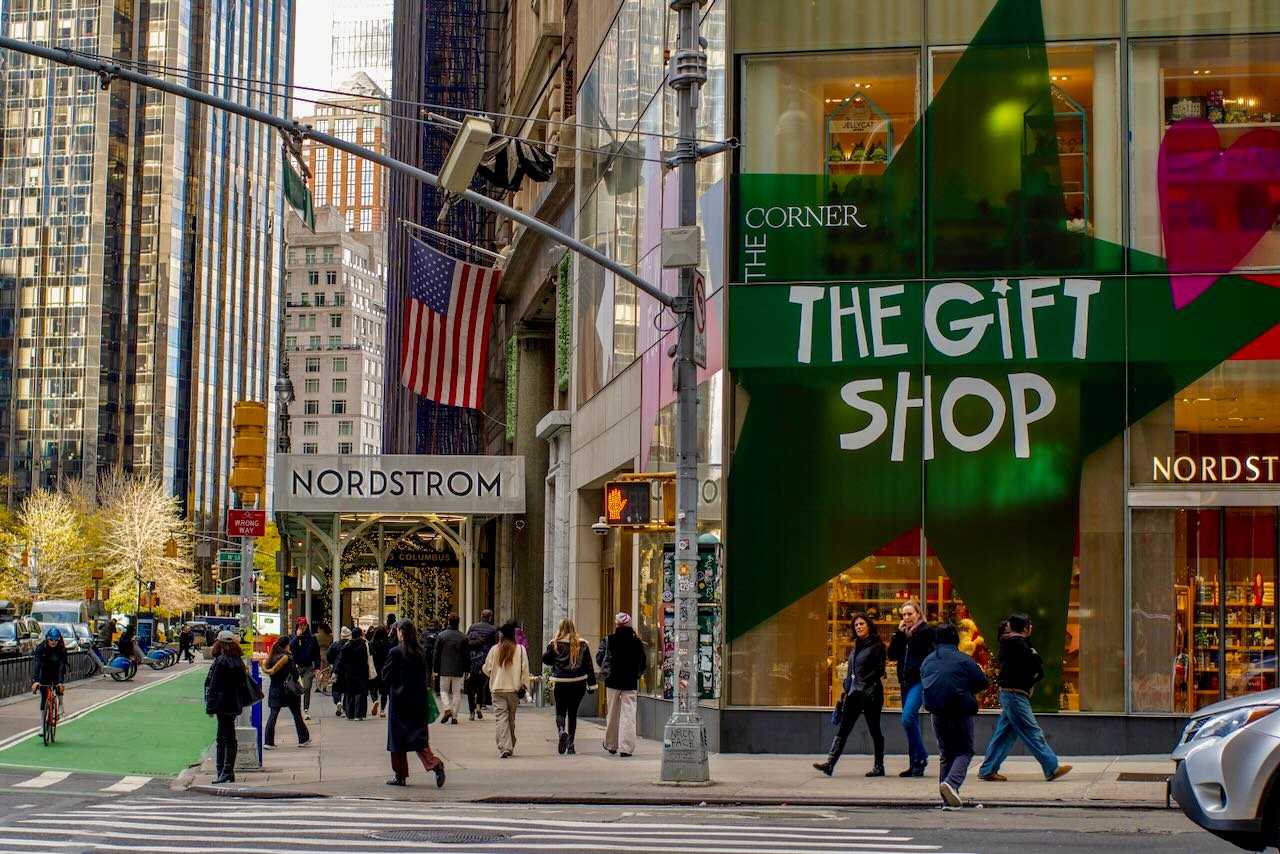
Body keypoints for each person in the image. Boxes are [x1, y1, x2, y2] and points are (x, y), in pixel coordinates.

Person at [978, 613, 1072, 783]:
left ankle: (988, 769)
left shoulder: (1010, 642)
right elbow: (1035, 663)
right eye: (1029, 625)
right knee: (1032, 731)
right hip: (1015, 695)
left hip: (1010, 694)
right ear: (1024, 628)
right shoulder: (1017, 643)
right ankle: (1052, 767)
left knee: (1004, 734)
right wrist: (1034, 656)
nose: (1032, 628)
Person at [920, 623, 989, 808]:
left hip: (937, 712)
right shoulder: (964, 660)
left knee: (946, 753)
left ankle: (947, 800)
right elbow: (982, 682)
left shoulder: (928, 661)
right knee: (965, 750)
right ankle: (951, 783)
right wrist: (966, 689)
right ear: (956, 639)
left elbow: (925, 680)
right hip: (960, 710)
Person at [814, 612, 886, 777]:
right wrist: (847, 687)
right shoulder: (855, 647)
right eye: (856, 625)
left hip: (871, 694)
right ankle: (830, 763)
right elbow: (851, 671)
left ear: (869, 626)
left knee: (874, 729)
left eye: (862, 624)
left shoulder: (877, 646)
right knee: (844, 728)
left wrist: (863, 682)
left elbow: (879, 670)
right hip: (854, 694)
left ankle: (879, 766)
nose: (859, 627)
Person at [381, 619, 445, 788]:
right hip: (418, 700)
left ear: (400, 632)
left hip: (399, 702)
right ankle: (434, 763)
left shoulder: (395, 652)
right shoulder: (420, 651)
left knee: (397, 741)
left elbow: (386, 676)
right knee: (419, 738)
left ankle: (400, 775)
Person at [887, 600, 935, 777]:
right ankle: (915, 764)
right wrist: (898, 635)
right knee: (911, 722)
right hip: (905, 681)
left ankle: (921, 756)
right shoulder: (902, 634)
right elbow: (892, 655)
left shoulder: (926, 632)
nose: (907, 618)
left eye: (910, 614)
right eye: (904, 615)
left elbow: (933, 655)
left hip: (919, 681)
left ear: (918, 614)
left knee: (907, 718)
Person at [542, 617, 597, 755]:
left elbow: (546, 659)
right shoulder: (582, 644)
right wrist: (592, 685)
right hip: (578, 682)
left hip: (561, 682)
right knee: (573, 713)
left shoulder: (555, 644)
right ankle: (571, 745)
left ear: (560, 628)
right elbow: (589, 666)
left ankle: (561, 731)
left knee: (560, 711)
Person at [598, 612, 646, 758]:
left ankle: (611, 744)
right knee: (629, 715)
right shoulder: (637, 642)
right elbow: (643, 662)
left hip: (612, 681)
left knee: (612, 713)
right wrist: (636, 674)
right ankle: (626, 748)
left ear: (617, 624)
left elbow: (600, 658)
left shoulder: (609, 640)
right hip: (630, 682)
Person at [204, 631, 250, 784]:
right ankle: (224, 771)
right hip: (234, 704)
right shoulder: (237, 661)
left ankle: (226, 771)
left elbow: (215, 686)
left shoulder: (221, 661)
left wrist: (210, 707)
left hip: (222, 704)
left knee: (226, 739)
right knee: (224, 737)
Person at [482, 621, 529, 758]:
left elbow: (487, 669)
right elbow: (525, 670)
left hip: (497, 688)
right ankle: (509, 744)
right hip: (513, 689)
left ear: (501, 635)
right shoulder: (520, 649)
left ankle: (505, 746)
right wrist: (525, 686)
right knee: (510, 718)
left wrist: (493, 674)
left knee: (501, 718)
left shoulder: (494, 649)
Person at [263, 636, 311, 749]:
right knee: (297, 714)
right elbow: (295, 674)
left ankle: (268, 741)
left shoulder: (270, 659)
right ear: (286, 646)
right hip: (289, 690)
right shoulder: (287, 658)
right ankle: (303, 738)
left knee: (273, 715)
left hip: (275, 689)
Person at [432, 614, 469, 724]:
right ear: (458, 622)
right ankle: (454, 716)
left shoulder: (441, 635)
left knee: (443, 690)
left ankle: (447, 709)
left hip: (444, 668)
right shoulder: (463, 637)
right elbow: (466, 655)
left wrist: (435, 669)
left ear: (448, 621)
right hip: (458, 668)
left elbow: (436, 653)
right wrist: (467, 670)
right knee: (457, 692)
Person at [466, 609, 499, 720]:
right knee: (481, 685)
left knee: (470, 687)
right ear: (490, 617)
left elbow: (466, 641)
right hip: (485, 659)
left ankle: (471, 711)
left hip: (471, 660)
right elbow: (496, 645)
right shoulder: (493, 629)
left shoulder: (473, 627)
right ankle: (480, 705)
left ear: (481, 616)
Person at [32, 627, 69, 717]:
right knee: (44, 696)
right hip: (45, 670)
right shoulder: (41, 648)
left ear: (59, 640)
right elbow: (37, 663)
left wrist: (60, 682)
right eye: (51, 639)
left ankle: (61, 704)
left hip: (57, 670)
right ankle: (43, 723)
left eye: (56, 640)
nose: (53, 642)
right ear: (47, 638)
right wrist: (36, 681)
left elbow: (61, 665)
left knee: (58, 687)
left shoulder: (62, 650)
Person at [289, 618, 321, 720]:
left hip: (308, 666)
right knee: (296, 689)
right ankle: (297, 709)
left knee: (307, 687)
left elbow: (316, 653)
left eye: (304, 625)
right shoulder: (293, 637)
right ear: (297, 626)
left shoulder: (312, 638)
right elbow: (291, 648)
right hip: (296, 666)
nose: (302, 627)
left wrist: (317, 667)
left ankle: (306, 709)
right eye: (300, 625)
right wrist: (297, 637)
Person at [336, 626, 370, 721]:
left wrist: (337, 671)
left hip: (349, 671)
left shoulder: (347, 645)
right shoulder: (364, 644)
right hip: (361, 670)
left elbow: (341, 659)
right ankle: (359, 713)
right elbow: (370, 655)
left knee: (350, 692)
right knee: (360, 692)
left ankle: (350, 713)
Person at [368, 625, 392, 718]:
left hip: (375, 668)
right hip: (385, 669)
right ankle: (382, 710)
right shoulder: (388, 644)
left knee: (373, 689)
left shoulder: (371, 643)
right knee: (384, 691)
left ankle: (375, 701)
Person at [326, 626, 350, 716]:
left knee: (336, 688)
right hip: (348, 670)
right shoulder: (350, 645)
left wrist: (332, 663)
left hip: (337, 669)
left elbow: (328, 655)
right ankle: (345, 707)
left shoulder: (335, 645)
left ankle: (338, 702)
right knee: (347, 690)